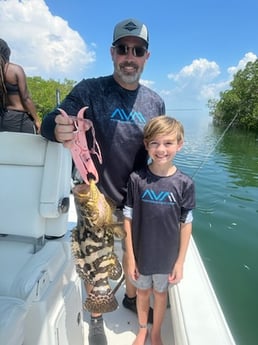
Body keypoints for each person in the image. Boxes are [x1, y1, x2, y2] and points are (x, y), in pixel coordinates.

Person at [41, 18, 165, 345]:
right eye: (123, 49)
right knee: (96, 261)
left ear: (146, 57)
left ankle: (128, 296)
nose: (129, 56)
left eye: (137, 50)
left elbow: (159, 151)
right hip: (98, 198)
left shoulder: (155, 102)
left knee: (133, 256)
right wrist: (56, 126)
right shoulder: (90, 90)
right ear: (112, 53)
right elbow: (53, 119)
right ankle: (96, 318)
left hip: (137, 199)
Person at [123, 115, 195, 345]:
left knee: (160, 294)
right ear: (146, 145)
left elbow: (186, 223)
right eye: (154, 143)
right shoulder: (137, 179)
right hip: (141, 253)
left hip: (166, 256)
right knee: (142, 293)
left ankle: (156, 332)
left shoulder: (185, 183)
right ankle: (143, 329)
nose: (161, 149)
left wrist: (180, 261)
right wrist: (131, 258)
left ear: (179, 145)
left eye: (168, 143)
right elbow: (127, 218)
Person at [0, 38, 41, 134]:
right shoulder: (15, 69)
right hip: (20, 121)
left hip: (2, 119)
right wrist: (37, 120)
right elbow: (26, 98)